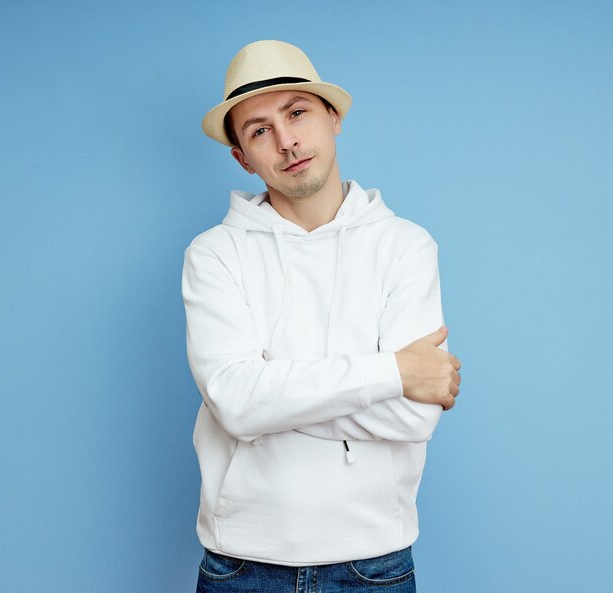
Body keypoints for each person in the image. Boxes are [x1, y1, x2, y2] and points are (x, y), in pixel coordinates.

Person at [182, 39, 461, 593]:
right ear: (242, 156)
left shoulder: (406, 246)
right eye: (259, 130)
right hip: (241, 564)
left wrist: (271, 393)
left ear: (333, 118)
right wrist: (391, 373)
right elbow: (236, 403)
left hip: (374, 563)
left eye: (297, 113)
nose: (286, 142)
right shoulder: (213, 254)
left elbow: (415, 416)